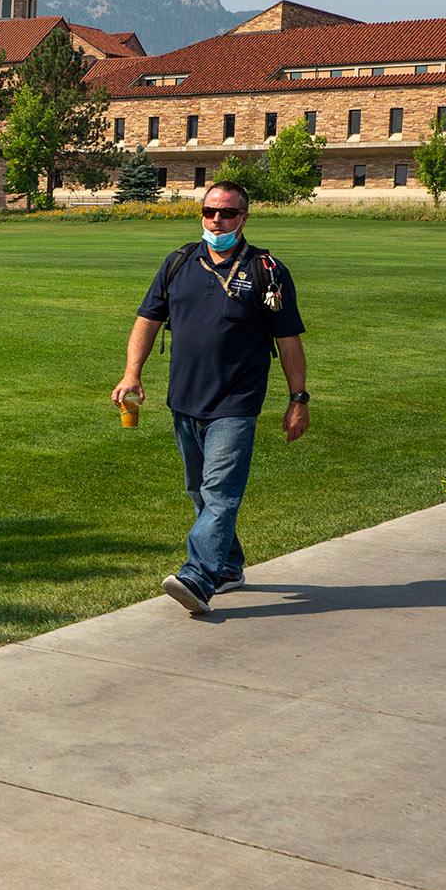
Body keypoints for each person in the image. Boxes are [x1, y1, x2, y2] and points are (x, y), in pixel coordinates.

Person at [111, 180, 309, 613]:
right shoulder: (180, 261)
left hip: (236, 402)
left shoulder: (267, 270)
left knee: (220, 490)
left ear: (244, 218)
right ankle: (230, 566)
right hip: (184, 398)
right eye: (209, 212)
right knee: (200, 490)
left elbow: (288, 338)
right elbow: (147, 318)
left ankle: (198, 577)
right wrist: (132, 373)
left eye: (227, 213)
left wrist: (299, 399)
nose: (217, 220)